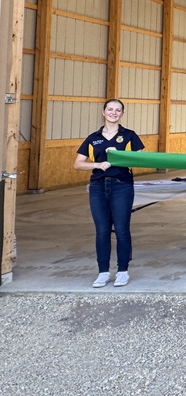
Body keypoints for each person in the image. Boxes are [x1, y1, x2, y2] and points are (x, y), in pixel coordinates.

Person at [73, 99, 145, 288]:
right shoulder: (93, 138)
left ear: (122, 114)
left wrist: (120, 156)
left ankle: (122, 271)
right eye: (110, 109)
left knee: (121, 229)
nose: (114, 113)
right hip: (98, 187)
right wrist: (96, 164)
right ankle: (103, 272)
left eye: (118, 110)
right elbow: (78, 163)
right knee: (102, 231)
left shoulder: (129, 136)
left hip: (122, 185)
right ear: (103, 112)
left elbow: (140, 159)